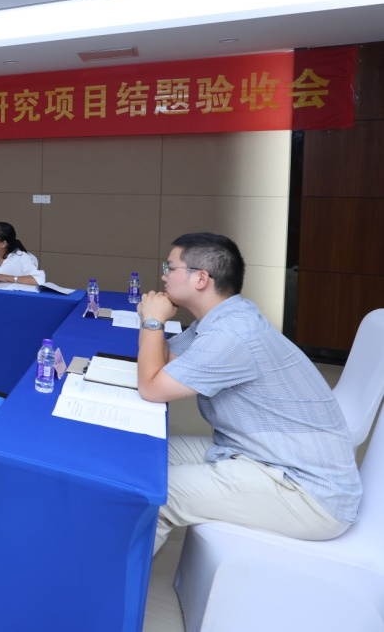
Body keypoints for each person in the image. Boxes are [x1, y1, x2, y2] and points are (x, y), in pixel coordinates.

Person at [137, 232, 360, 554]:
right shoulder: (224, 316)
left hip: (306, 491)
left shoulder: (232, 333)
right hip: (258, 453)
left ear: (201, 278)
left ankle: (110, 584)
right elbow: (166, 363)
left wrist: (153, 321)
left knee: (156, 495)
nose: (163, 276)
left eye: (170, 268)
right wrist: (152, 323)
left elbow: (152, 388)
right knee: (145, 455)